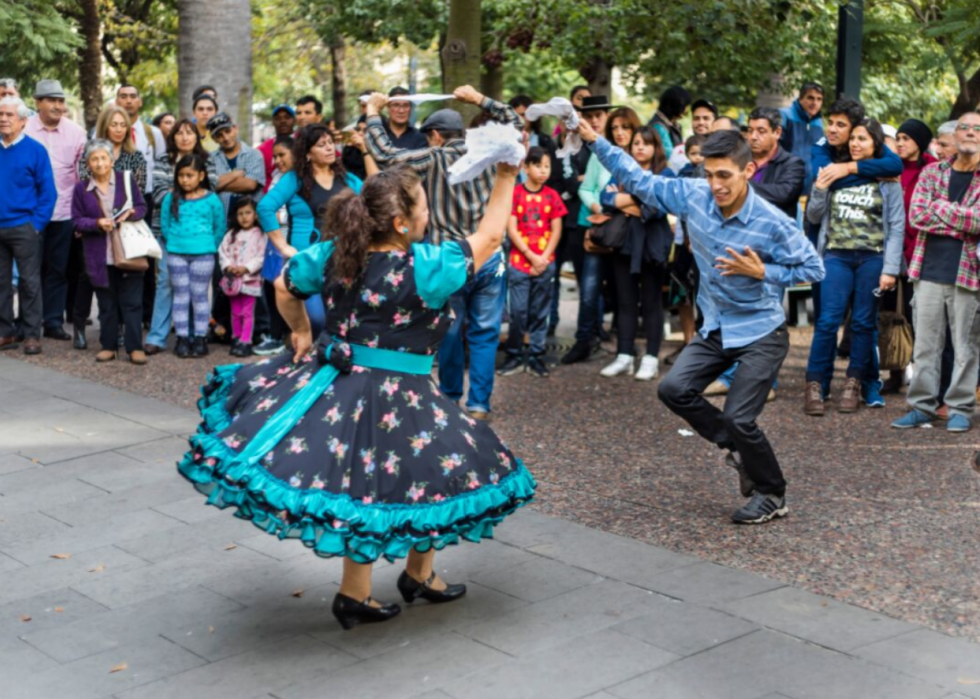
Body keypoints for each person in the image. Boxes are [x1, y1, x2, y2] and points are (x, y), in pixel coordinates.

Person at [176, 159, 535, 631]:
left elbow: (284, 286)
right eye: (424, 206)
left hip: (342, 386)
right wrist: (507, 175)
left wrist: (302, 332)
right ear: (402, 221)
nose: (429, 214)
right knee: (414, 473)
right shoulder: (426, 267)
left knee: (379, 479)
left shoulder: (333, 252)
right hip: (400, 397)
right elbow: (490, 239)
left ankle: (403, 579)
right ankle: (368, 590)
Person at [577, 120, 824, 524]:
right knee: (673, 389)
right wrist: (593, 140)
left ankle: (772, 493)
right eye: (709, 175)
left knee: (739, 416)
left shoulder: (772, 221)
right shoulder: (693, 195)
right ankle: (740, 451)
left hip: (762, 332)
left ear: (747, 171)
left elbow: (814, 267)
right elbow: (637, 179)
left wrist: (766, 273)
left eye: (724, 175)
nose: (715, 185)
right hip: (717, 327)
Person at [363, 85, 522, 420]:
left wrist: (373, 114)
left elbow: (386, 155)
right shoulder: (492, 152)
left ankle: (450, 397)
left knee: (449, 330)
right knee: (485, 332)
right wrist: (480, 99)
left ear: (435, 136)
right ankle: (479, 404)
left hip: (449, 259)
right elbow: (514, 123)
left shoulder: (433, 158)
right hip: (489, 256)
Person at [803, 118, 904, 415]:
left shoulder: (887, 181)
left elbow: (897, 227)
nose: (856, 144)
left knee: (862, 323)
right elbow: (814, 215)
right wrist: (820, 189)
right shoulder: (835, 172)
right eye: (853, 139)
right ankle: (815, 383)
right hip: (836, 256)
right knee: (826, 321)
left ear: (875, 144)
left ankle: (853, 382)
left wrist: (890, 268)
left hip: (873, 259)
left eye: (863, 139)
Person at [893, 111, 980, 433]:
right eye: (964, 128)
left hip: (969, 275)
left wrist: (941, 210)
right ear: (954, 136)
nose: (970, 132)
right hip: (927, 271)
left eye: (977, 128)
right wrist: (964, 219)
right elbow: (918, 216)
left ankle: (959, 407)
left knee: (966, 347)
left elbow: (979, 221)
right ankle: (922, 406)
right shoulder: (931, 173)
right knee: (925, 345)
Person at [257, 124, 363, 336]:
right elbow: (265, 207)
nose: (329, 148)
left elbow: (372, 202)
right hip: (307, 260)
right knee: (316, 319)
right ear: (307, 153)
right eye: (321, 145)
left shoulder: (347, 179)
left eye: (331, 143)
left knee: (341, 322)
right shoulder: (294, 179)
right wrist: (283, 246)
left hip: (343, 260)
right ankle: (300, 348)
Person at [599, 125, 674, 381]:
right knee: (625, 301)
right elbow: (604, 198)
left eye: (646, 143)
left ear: (655, 147)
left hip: (653, 245)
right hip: (625, 245)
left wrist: (626, 198)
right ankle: (624, 355)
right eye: (636, 143)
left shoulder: (666, 172)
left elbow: (658, 207)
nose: (640, 147)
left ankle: (651, 357)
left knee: (652, 303)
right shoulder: (622, 169)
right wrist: (639, 200)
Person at [70, 139, 149, 364]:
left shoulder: (126, 179)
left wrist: (130, 213)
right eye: (94, 158)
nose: (100, 162)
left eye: (104, 157)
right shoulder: (81, 189)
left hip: (128, 250)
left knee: (132, 302)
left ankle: (135, 347)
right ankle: (109, 346)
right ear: (88, 163)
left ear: (111, 160)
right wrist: (96, 223)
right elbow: (76, 221)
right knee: (106, 304)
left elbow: (142, 207)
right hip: (99, 255)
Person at [145, 118, 218, 354]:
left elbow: (211, 192)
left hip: (200, 241)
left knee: (196, 291)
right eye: (179, 133)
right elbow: (157, 197)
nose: (185, 137)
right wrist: (174, 194)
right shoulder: (163, 161)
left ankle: (195, 336)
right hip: (168, 234)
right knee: (166, 284)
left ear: (197, 136)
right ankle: (158, 337)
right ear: (172, 136)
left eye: (190, 133)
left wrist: (210, 243)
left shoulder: (208, 160)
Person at [23, 79, 86, 341]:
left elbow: (82, 176)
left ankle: (52, 321)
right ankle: (28, 321)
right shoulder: (23, 129)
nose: (58, 106)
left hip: (63, 212)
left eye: (61, 101)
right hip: (29, 213)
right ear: (38, 102)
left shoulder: (76, 132)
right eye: (52, 100)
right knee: (30, 270)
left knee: (58, 269)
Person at [880, 118, 937, 395]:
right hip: (891, 253)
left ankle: (922, 374)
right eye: (898, 138)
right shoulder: (890, 168)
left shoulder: (934, 169)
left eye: (906, 139)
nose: (900, 143)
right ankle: (895, 371)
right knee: (890, 313)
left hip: (921, 253)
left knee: (918, 316)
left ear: (920, 142)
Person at [499, 146, 566, 378]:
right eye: (538, 165)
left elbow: (556, 230)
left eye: (547, 166)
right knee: (518, 311)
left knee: (540, 311)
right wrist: (531, 255)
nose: (543, 170)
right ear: (526, 168)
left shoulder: (552, 196)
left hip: (545, 263)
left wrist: (544, 257)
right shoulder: (515, 193)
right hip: (520, 262)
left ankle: (536, 355)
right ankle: (515, 354)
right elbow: (511, 227)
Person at [560, 95, 618, 365]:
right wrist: (595, 200)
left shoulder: (616, 146)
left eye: (599, 115)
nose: (594, 120)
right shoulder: (573, 143)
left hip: (620, 227)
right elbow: (572, 182)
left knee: (618, 288)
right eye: (590, 115)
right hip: (584, 224)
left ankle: (611, 336)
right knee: (588, 285)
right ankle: (585, 338)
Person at [0, 96, 56, 355]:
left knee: (29, 282)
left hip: (24, 227)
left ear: (23, 120)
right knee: (0, 282)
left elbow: (48, 193)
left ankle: (32, 334)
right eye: (1, 114)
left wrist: (36, 225)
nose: (3, 118)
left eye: (9, 115)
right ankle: (6, 331)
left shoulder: (35, 150)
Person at [160, 154, 225, 359]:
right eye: (181, 175)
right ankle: (181, 337)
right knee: (181, 296)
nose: (185, 180)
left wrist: (209, 246)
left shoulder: (211, 199)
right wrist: (174, 242)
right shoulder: (171, 198)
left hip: (203, 254)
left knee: (199, 295)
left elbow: (219, 226)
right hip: (176, 253)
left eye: (190, 175)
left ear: (201, 175)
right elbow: (165, 223)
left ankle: (199, 337)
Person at [253, 136, 295, 357]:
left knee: (288, 285)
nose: (277, 160)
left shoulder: (299, 179)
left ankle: (290, 333)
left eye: (282, 155)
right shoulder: (278, 177)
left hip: (290, 239)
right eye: (275, 156)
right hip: (274, 239)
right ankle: (276, 334)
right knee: (271, 285)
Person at [218, 197, 266, 357]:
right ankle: (236, 338)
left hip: (250, 281)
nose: (244, 217)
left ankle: (246, 340)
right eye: (240, 214)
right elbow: (222, 252)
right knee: (235, 311)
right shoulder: (231, 234)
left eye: (248, 213)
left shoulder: (260, 234)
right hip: (233, 282)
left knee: (247, 312)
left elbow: (261, 256)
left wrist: (246, 268)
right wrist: (228, 267)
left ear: (256, 215)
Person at [744, 107, 806, 218]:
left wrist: (740, 187)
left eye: (761, 131)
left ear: (777, 132)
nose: (753, 137)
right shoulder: (740, 159)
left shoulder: (793, 164)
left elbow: (783, 194)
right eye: (750, 130)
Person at [78, 105, 148, 190]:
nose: (119, 130)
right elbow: (85, 184)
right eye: (114, 125)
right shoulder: (89, 152)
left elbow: (139, 191)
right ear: (105, 126)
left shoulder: (136, 156)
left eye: (123, 125)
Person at [779, 82, 825, 191]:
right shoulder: (784, 115)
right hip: (786, 181)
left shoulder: (818, 122)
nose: (815, 103)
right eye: (810, 98)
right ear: (800, 98)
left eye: (819, 99)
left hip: (810, 185)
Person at [257, 104, 296, 191]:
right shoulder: (262, 149)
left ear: (294, 120)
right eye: (278, 118)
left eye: (287, 117)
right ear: (273, 122)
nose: (282, 121)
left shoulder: (304, 141)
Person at [649, 85, 691, 152]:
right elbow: (669, 154)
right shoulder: (658, 127)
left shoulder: (674, 125)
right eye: (684, 106)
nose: (685, 110)